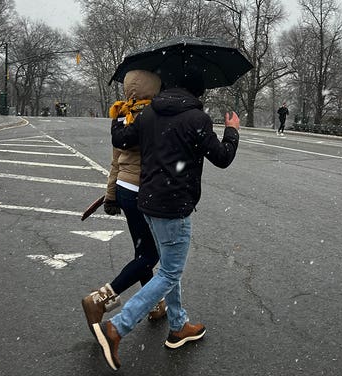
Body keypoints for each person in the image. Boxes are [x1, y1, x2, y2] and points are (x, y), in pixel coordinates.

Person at [92, 66, 240, 371]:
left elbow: (121, 139)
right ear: (197, 92)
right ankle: (116, 327)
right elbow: (222, 158)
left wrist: (120, 115)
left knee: (168, 267)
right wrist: (232, 131)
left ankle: (178, 326)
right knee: (170, 273)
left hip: (147, 202)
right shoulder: (196, 118)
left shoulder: (148, 114)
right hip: (174, 207)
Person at [81, 70, 167, 329]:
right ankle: (101, 298)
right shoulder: (157, 115)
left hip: (125, 190)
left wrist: (111, 194)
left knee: (143, 251)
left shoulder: (122, 113)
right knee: (151, 255)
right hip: (146, 190)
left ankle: (154, 305)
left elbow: (116, 159)